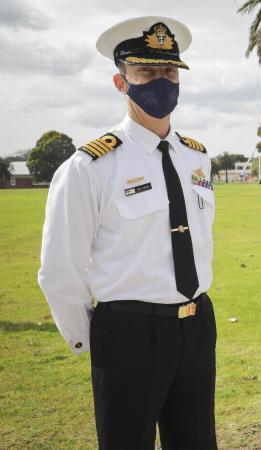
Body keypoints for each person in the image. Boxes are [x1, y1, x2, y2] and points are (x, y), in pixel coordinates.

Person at [37, 16, 217, 449]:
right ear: (122, 83)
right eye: (146, 72)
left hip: (196, 326)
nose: (161, 81)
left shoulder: (197, 157)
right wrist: (96, 337)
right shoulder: (91, 166)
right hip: (129, 334)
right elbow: (60, 267)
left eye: (169, 72)